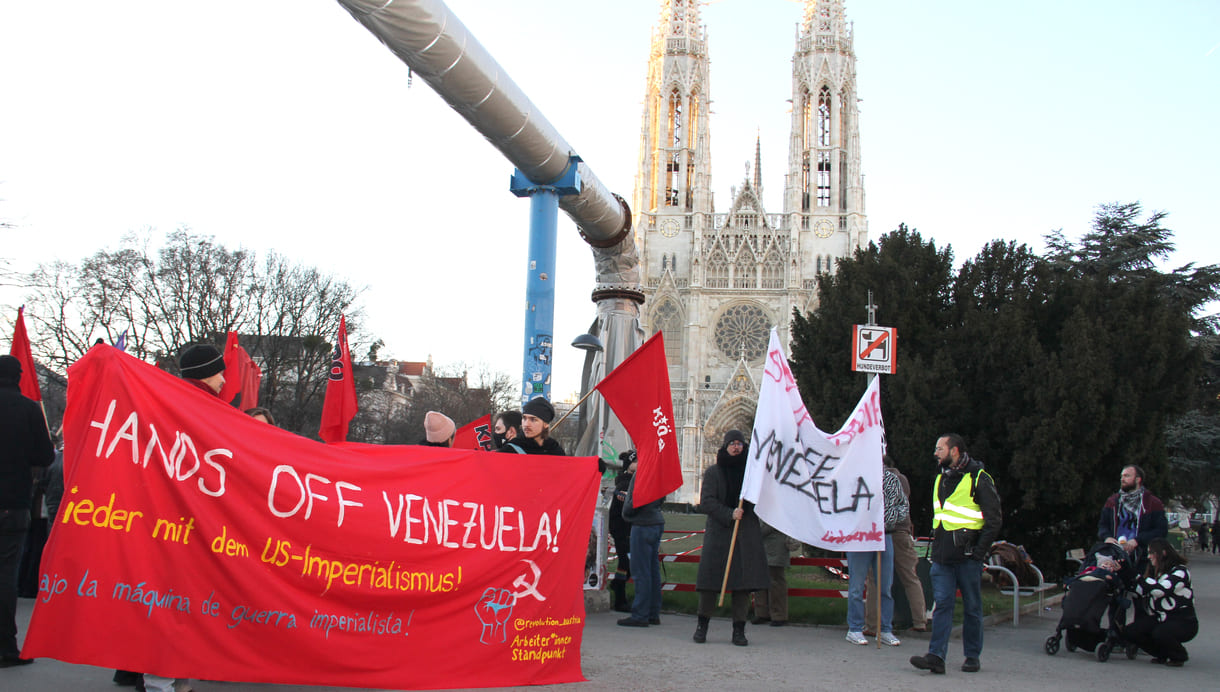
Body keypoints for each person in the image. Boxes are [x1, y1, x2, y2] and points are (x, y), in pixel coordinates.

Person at [135, 344, 228, 692]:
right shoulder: (196, 406)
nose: (223, 380)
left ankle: (169, 678)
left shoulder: (178, 402)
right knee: (173, 602)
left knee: (176, 602)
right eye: (219, 372)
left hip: (177, 520)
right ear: (205, 373)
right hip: (181, 522)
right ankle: (160, 681)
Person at [910, 434, 1001, 675]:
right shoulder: (941, 478)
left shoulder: (979, 478)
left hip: (968, 557)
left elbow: (993, 520)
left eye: (940, 449)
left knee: (972, 607)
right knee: (942, 604)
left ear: (955, 451)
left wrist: (979, 553)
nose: (935, 453)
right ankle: (936, 657)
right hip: (942, 555)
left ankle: (972, 656)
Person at [0, 355, 55, 668]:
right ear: (18, 377)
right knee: (5, 575)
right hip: (12, 503)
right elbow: (45, 456)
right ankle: (5, 646)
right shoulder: (28, 409)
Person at [692, 430, 768, 647]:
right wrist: (729, 513)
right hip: (719, 535)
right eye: (732, 443)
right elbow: (707, 502)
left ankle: (739, 630)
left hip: (744, 536)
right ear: (725, 446)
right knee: (709, 583)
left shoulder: (750, 475)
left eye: (740, 444)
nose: (736, 447)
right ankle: (702, 625)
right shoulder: (714, 472)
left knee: (742, 585)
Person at [846, 459, 906, 647]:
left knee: (885, 586)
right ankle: (855, 628)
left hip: (883, 535)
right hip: (859, 536)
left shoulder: (890, 479)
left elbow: (902, 506)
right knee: (856, 586)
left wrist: (886, 519)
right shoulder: (854, 478)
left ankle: (885, 628)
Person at [866, 455, 927, 633]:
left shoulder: (878, 479)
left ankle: (872, 624)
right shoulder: (902, 480)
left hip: (881, 533)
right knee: (910, 577)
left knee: (874, 580)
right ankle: (920, 621)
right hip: (901, 533)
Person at [1126, 537, 1197, 666]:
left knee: (1160, 633)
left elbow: (1160, 590)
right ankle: (1162, 654)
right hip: (1161, 618)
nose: (1148, 557)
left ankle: (1179, 656)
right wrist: (1123, 573)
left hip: (1184, 621)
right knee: (1132, 631)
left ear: (1163, 553)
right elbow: (1142, 591)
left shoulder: (1180, 572)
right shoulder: (1155, 571)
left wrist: (1137, 577)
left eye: (1151, 553)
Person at [616, 466, 665, 628]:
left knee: (640, 570)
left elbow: (636, 499)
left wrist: (627, 509)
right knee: (652, 570)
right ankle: (653, 612)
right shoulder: (658, 472)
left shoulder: (643, 473)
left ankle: (640, 614)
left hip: (642, 523)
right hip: (656, 520)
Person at [1098, 465, 1167, 571]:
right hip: (1115, 556)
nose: (1122, 479)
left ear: (1138, 479)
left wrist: (1137, 540)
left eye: (1127, 476)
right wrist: (1107, 537)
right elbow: (1103, 525)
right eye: (1121, 476)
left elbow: (1161, 530)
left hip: (1142, 558)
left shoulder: (1153, 503)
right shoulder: (1112, 502)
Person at [752, 521, 797, 627]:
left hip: (776, 549)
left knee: (776, 583)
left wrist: (752, 531)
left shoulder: (774, 515)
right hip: (763, 548)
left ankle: (778, 615)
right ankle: (762, 613)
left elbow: (764, 528)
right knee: (761, 582)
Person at [608, 451, 637, 613]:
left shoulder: (632, 481)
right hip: (621, 528)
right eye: (636, 461)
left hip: (628, 528)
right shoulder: (625, 484)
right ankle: (619, 594)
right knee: (626, 563)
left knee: (627, 563)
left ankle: (618, 586)